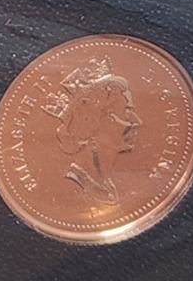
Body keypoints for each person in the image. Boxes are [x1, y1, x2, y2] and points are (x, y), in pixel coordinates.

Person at [43, 60, 142, 204]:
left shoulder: (106, 185)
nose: (137, 122)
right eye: (125, 113)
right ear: (93, 123)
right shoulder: (72, 188)